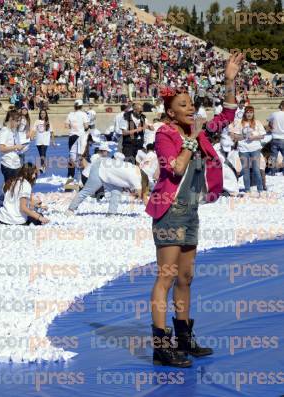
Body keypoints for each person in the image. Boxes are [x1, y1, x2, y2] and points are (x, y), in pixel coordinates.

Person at [146, 53, 244, 368]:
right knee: (167, 276)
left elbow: (227, 115)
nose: (191, 108)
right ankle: (161, 346)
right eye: (184, 105)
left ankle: (184, 339)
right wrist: (190, 139)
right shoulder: (166, 134)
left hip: (190, 212)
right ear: (170, 113)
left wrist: (229, 80)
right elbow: (173, 169)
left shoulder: (197, 132)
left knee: (186, 277)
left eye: (191, 104)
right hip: (169, 210)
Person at [66, 153, 147, 215]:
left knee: (116, 191)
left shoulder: (135, 170)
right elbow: (142, 197)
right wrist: (152, 211)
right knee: (88, 191)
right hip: (100, 168)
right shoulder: (136, 178)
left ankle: (111, 213)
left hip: (110, 172)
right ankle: (70, 209)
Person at [229, 105, 266, 194]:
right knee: (245, 170)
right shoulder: (239, 123)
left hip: (255, 149)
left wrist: (254, 137)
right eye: (247, 112)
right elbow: (234, 136)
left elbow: (263, 135)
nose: (249, 114)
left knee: (256, 169)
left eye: (251, 112)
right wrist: (243, 136)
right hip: (243, 150)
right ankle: (247, 189)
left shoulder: (257, 122)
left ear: (253, 113)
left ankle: (260, 189)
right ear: (244, 113)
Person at [65, 99, 90, 185]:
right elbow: (86, 126)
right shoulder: (84, 114)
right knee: (82, 157)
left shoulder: (70, 114)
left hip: (72, 136)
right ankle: (82, 180)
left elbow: (66, 125)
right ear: (81, 106)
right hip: (81, 137)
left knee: (71, 158)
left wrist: (74, 127)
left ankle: (70, 179)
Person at [0, 110, 24, 182]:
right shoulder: (5, 131)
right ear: (11, 119)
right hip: (8, 164)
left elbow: (10, 146)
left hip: (15, 163)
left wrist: (18, 148)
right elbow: (1, 148)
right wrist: (16, 147)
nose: (18, 123)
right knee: (10, 188)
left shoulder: (12, 131)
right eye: (17, 121)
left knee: (16, 186)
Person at [33, 109, 54, 174]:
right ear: (40, 114)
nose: (42, 114)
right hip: (38, 140)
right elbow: (33, 130)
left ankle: (42, 167)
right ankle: (44, 166)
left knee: (42, 153)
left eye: (44, 113)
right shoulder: (37, 121)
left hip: (45, 141)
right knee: (41, 154)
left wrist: (53, 141)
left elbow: (52, 132)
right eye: (41, 113)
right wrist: (31, 136)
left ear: (46, 114)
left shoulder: (48, 122)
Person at [267, 100, 284, 175]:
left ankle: (272, 172)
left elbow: (269, 123)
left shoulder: (274, 114)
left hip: (275, 137)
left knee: (273, 157)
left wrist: (272, 127)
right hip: (283, 137)